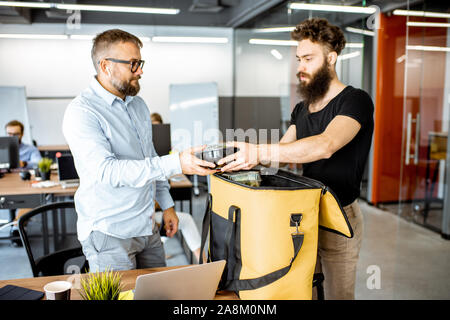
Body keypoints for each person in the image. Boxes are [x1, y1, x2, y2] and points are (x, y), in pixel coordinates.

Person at [218, 18, 374, 300]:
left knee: (339, 294)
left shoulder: (356, 101)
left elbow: (326, 145)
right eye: (298, 58)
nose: (300, 67)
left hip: (341, 216)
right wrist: (236, 157)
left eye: (308, 59)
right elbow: (282, 153)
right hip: (304, 212)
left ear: (331, 58)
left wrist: (260, 152)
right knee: (305, 289)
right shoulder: (302, 108)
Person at [62, 29, 216, 272]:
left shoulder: (138, 106)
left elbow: (150, 158)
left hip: (146, 227)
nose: (140, 71)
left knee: (157, 294)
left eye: (140, 63)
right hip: (110, 233)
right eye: (133, 64)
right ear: (106, 66)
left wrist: (167, 206)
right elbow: (107, 171)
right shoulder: (82, 112)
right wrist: (176, 163)